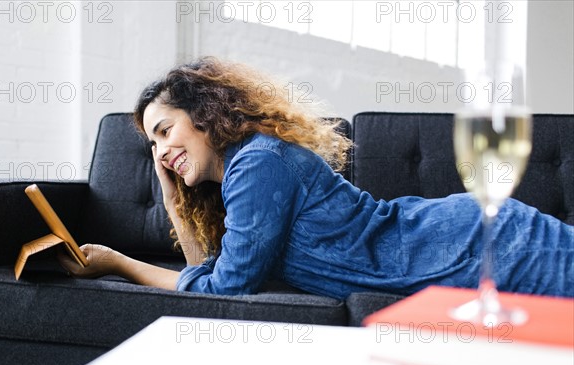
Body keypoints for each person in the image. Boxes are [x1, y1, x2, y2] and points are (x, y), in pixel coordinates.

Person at [58, 57, 574, 299]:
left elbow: (224, 289)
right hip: (459, 246)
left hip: (475, 243)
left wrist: (117, 263)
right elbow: (205, 274)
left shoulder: (258, 163)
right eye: (152, 144)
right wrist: (173, 198)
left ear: (204, 114)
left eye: (166, 130)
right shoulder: (239, 172)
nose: (161, 150)